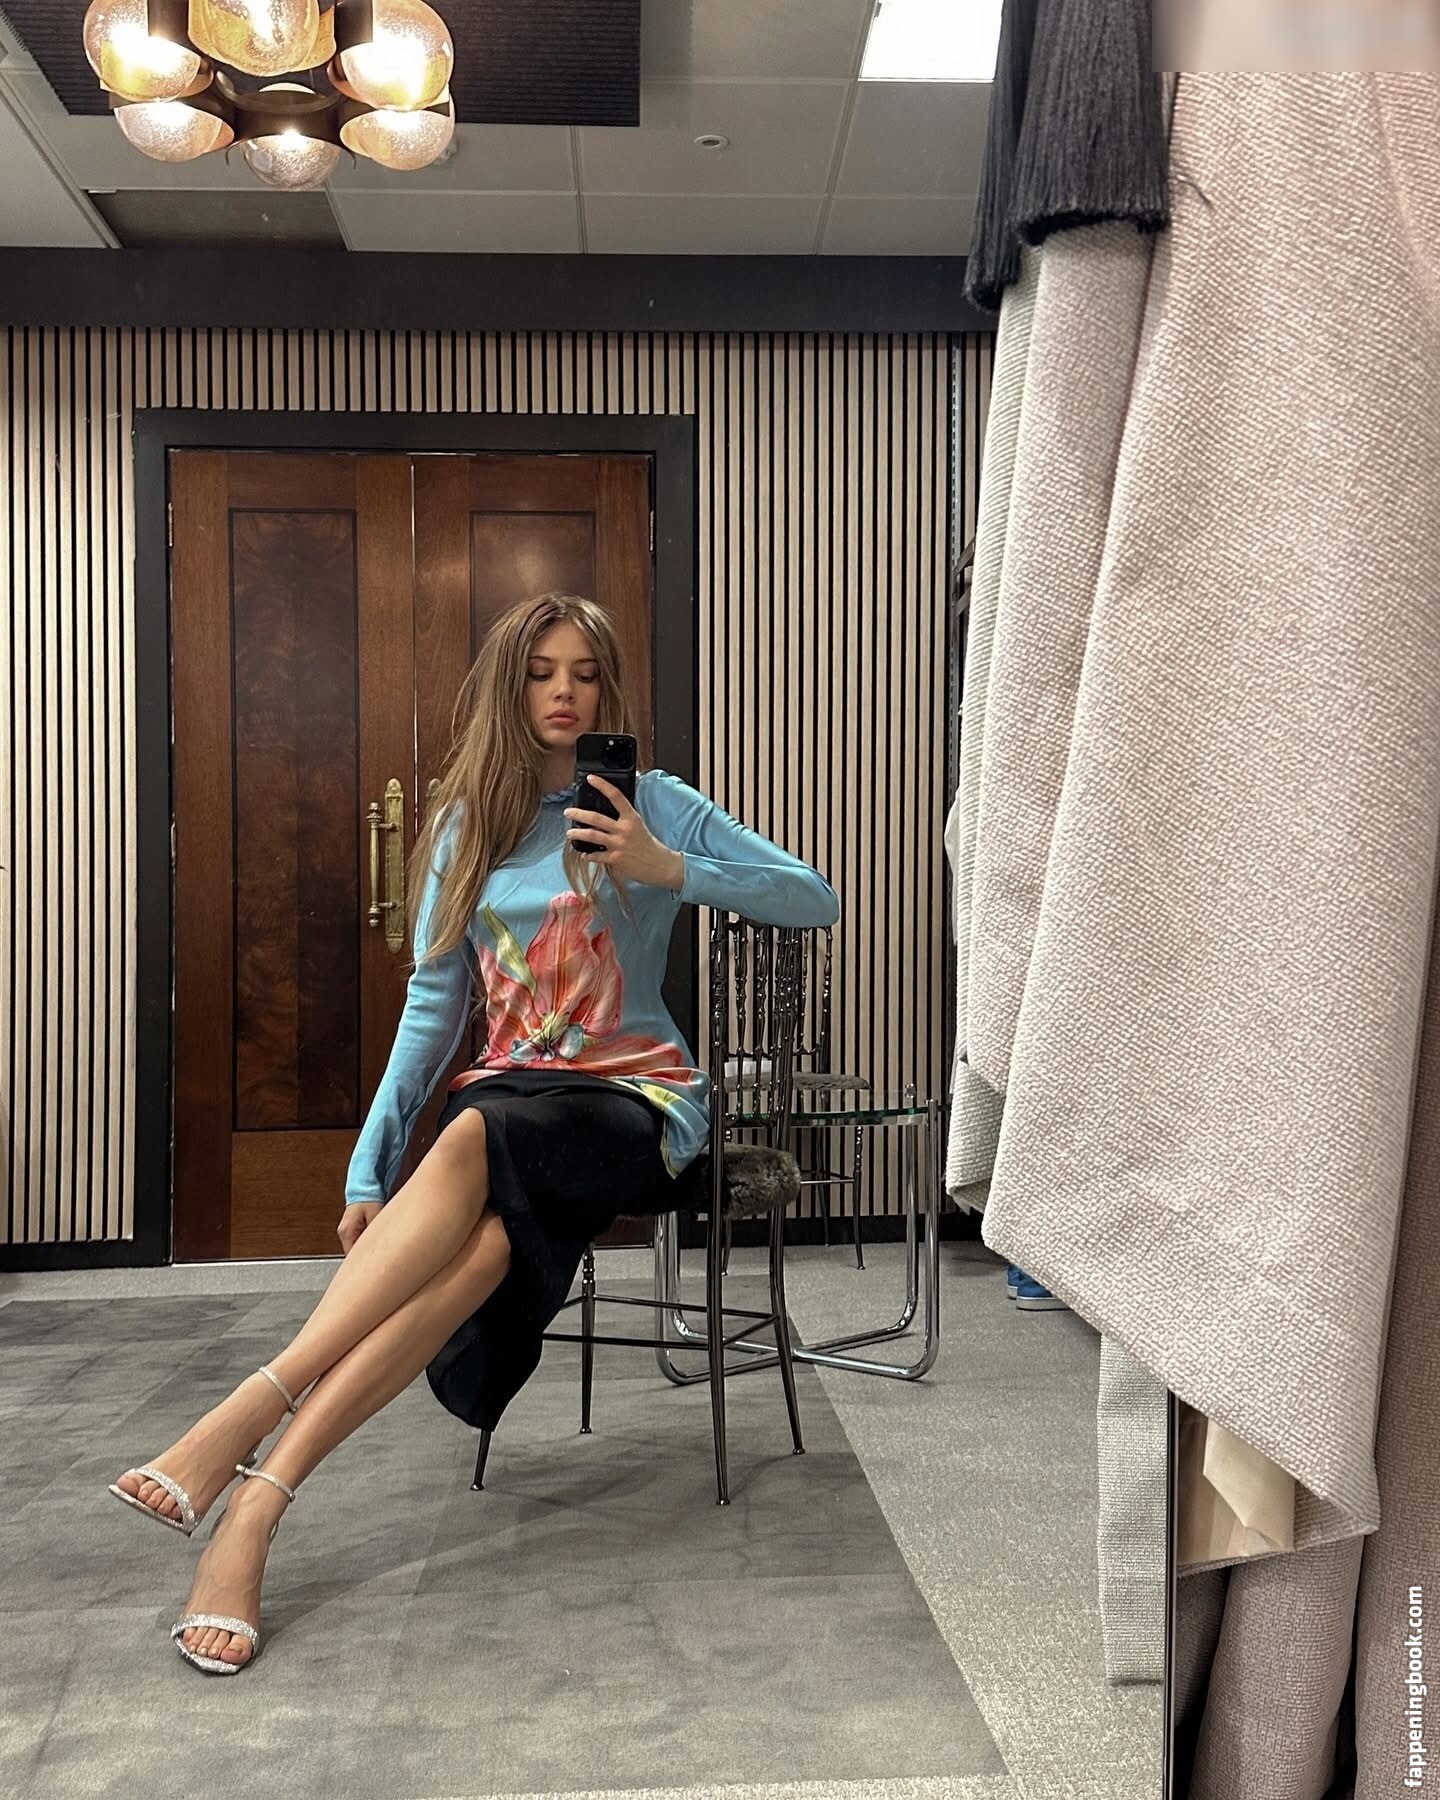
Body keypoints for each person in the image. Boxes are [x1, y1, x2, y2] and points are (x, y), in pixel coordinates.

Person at [107, 592, 840, 1676]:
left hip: (636, 1103)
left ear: (607, 687)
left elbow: (814, 897)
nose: (563, 692)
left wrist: (667, 868)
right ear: (510, 687)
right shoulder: (466, 824)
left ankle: (248, 1413)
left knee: (471, 1143)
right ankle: (257, 1508)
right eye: (541, 672)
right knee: (486, 1235)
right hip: (509, 1106)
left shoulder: (657, 806)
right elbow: (433, 1010)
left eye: (583, 672)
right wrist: (366, 1168)